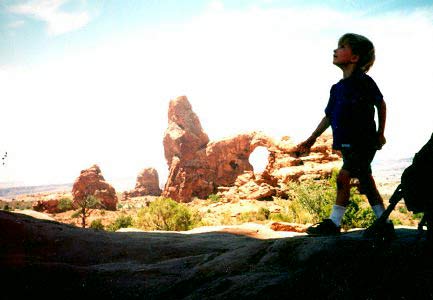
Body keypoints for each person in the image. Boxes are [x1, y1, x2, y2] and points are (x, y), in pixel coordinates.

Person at [297, 33, 393, 236]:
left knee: (344, 177)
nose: (335, 50)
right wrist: (311, 139)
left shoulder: (364, 82)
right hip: (347, 143)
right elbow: (329, 117)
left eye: (341, 47)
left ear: (355, 57)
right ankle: (383, 221)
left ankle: (334, 222)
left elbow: (381, 104)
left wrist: (380, 133)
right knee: (366, 181)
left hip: (364, 141)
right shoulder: (337, 89)